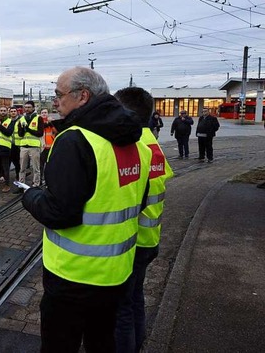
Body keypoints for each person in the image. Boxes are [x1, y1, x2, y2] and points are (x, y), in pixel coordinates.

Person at [21, 67, 151, 353]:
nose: (55, 101)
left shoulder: (75, 140)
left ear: (83, 96)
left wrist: (30, 196)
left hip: (72, 277)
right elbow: (138, 203)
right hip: (117, 274)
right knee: (102, 343)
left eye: (59, 94)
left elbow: (59, 213)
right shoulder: (139, 143)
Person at [113, 87, 174, 353]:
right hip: (150, 237)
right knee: (136, 298)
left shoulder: (133, 146)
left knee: (121, 309)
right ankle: (138, 344)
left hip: (132, 241)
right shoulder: (151, 142)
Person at [17, 100, 43, 188]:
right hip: (24, 146)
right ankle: (22, 186)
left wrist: (28, 129)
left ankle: (36, 185)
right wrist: (23, 130)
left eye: (29, 107)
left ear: (33, 108)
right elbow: (20, 134)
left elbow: (40, 133)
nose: (27, 109)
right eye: (26, 107)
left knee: (36, 168)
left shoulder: (38, 118)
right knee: (22, 168)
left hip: (34, 146)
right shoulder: (21, 119)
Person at [39, 108, 57, 179]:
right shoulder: (39, 122)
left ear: (48, 113)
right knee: (41, 165)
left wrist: (51, 124)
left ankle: (49, 179)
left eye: (45, 112)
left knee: (50, 165)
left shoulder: (51, 121)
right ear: (40, 114)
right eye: (42, 112)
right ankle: (40, 179)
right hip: (42, 147)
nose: (44, 114)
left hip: (50, 147)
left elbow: (55, 131)